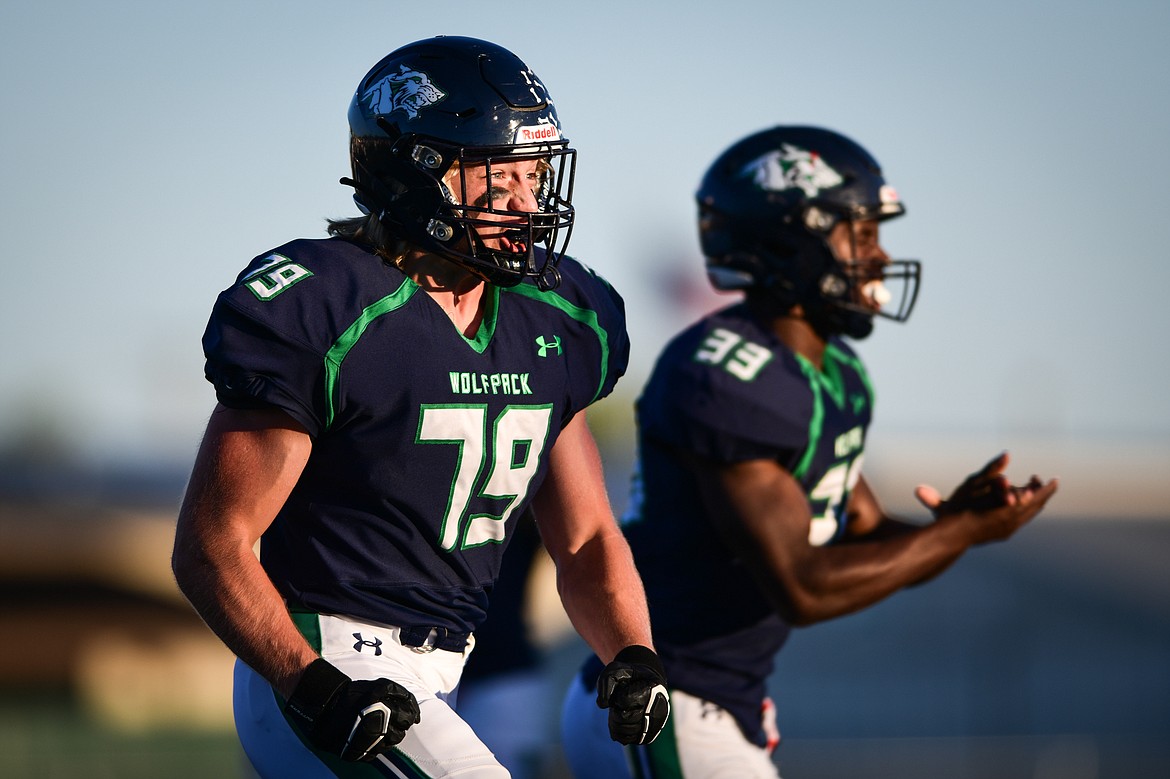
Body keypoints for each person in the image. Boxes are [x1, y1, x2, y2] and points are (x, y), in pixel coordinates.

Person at [171, 36, 669, 779]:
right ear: (414, 173)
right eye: (497, 176)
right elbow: (212, 545)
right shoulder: (330, 306)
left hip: (446, 669)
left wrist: (631, 651)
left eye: (533, 174)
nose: (526, 202)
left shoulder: (559, 315)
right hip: (322, 661)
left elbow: (588, 535)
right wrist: (311, 684)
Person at [560, 125, 1059, 778]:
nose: (878, 258)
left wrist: (957, 527)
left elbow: (870, 540)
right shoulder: (725, 375)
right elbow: (804, 586)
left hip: (722, 701)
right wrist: (962, 530)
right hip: (658, 697)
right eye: (861, 233)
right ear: (788, 242)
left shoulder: (837, 375)